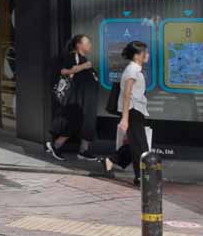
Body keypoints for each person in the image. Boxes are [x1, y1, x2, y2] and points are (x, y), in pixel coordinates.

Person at [46, 34, 100, 161]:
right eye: (87, 42)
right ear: (78, 45)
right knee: (74, 121)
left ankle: (84, 150)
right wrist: (83, 67)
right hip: (77, 98)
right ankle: (56, 145)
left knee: (88, 122)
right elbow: (63, 71)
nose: (90, 45)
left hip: (88, 98)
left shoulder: (83, 58)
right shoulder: (72, 57)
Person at [107, 40, 151, 186]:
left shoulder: (134, 69)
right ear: (138, 55)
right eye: (145, 52)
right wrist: (125, 118)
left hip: (136, 110)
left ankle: (112, 161)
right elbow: (126, 94)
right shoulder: (132, 70)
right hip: (132, 111)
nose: (147, 54)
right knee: (140, 146)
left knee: (136, 144)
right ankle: (141, 177)